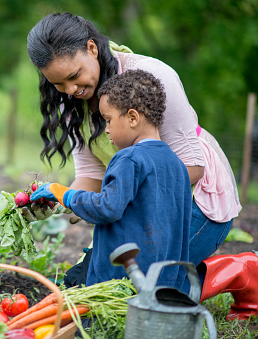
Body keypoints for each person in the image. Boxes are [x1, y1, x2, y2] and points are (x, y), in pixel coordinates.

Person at [27, 12, 257, 321]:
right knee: (84, 284)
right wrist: (58, 200)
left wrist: (116, 201)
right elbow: (91, 176)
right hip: (133, 201)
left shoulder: (150, 77)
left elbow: (192, 168)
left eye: (74, 75)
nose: (70, 90)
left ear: (92, 49)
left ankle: (239, 271)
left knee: (137, 293)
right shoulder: (73, 103)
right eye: (58, 83)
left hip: (193, 201)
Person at [32, 69, 192, 293]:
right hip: (162, 284)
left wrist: (64, 194)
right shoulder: (176, 165)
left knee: (91, 323)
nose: (106, 130)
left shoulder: (129, 159)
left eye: (108, 120)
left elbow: (106, 208)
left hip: (119, 282)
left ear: (133, 118)